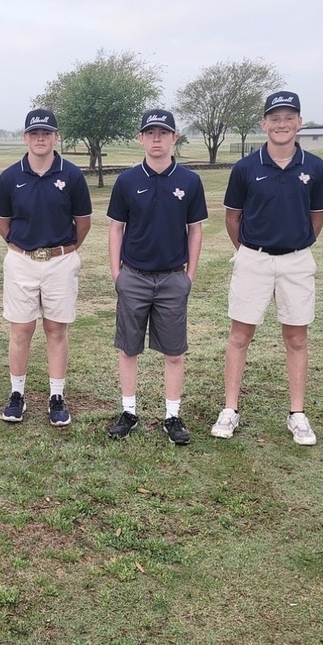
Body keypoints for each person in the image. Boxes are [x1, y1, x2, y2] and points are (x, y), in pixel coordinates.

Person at [210, 91, 323, 446]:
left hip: (296, 259)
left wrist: (295, 244)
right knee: (239, 335)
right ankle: (230, 409)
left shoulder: (315, 167)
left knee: (296, 337)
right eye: (274, 118)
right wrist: (251, 250)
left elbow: (316, 217)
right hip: (253, 258)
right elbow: (233, 217)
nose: (281, 124)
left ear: (299, 122)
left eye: (288, 117)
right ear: (264, 124)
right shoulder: (246, 168)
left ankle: (297, 414)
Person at [106, 109, 207, 445]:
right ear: (141, 139)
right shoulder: (127, 181)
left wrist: (189, 275)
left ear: (174, 138)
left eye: (164, 133)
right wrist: (116, 273)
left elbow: (195, 231)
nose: (157, 139)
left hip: (172, 278)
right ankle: (129, 412)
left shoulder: (189, 181)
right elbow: (116, 228)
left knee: (174, 352)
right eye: (150, 133)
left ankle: (172, 416)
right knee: (128, 349)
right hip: (133, 276)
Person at [0, 109, 92, 426]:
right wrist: (22, 247)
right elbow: (3, 222)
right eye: (34, 134)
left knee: (56, 329)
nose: (40, 138)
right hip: (21, 260)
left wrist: (63, 250)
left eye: (46, 133)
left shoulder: (72, 175)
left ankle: (56, 396)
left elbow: (83, 222)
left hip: (60, 261)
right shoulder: (10, 177)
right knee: (21, 329)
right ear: (25, 138)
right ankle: (17, 395)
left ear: (55, 137)